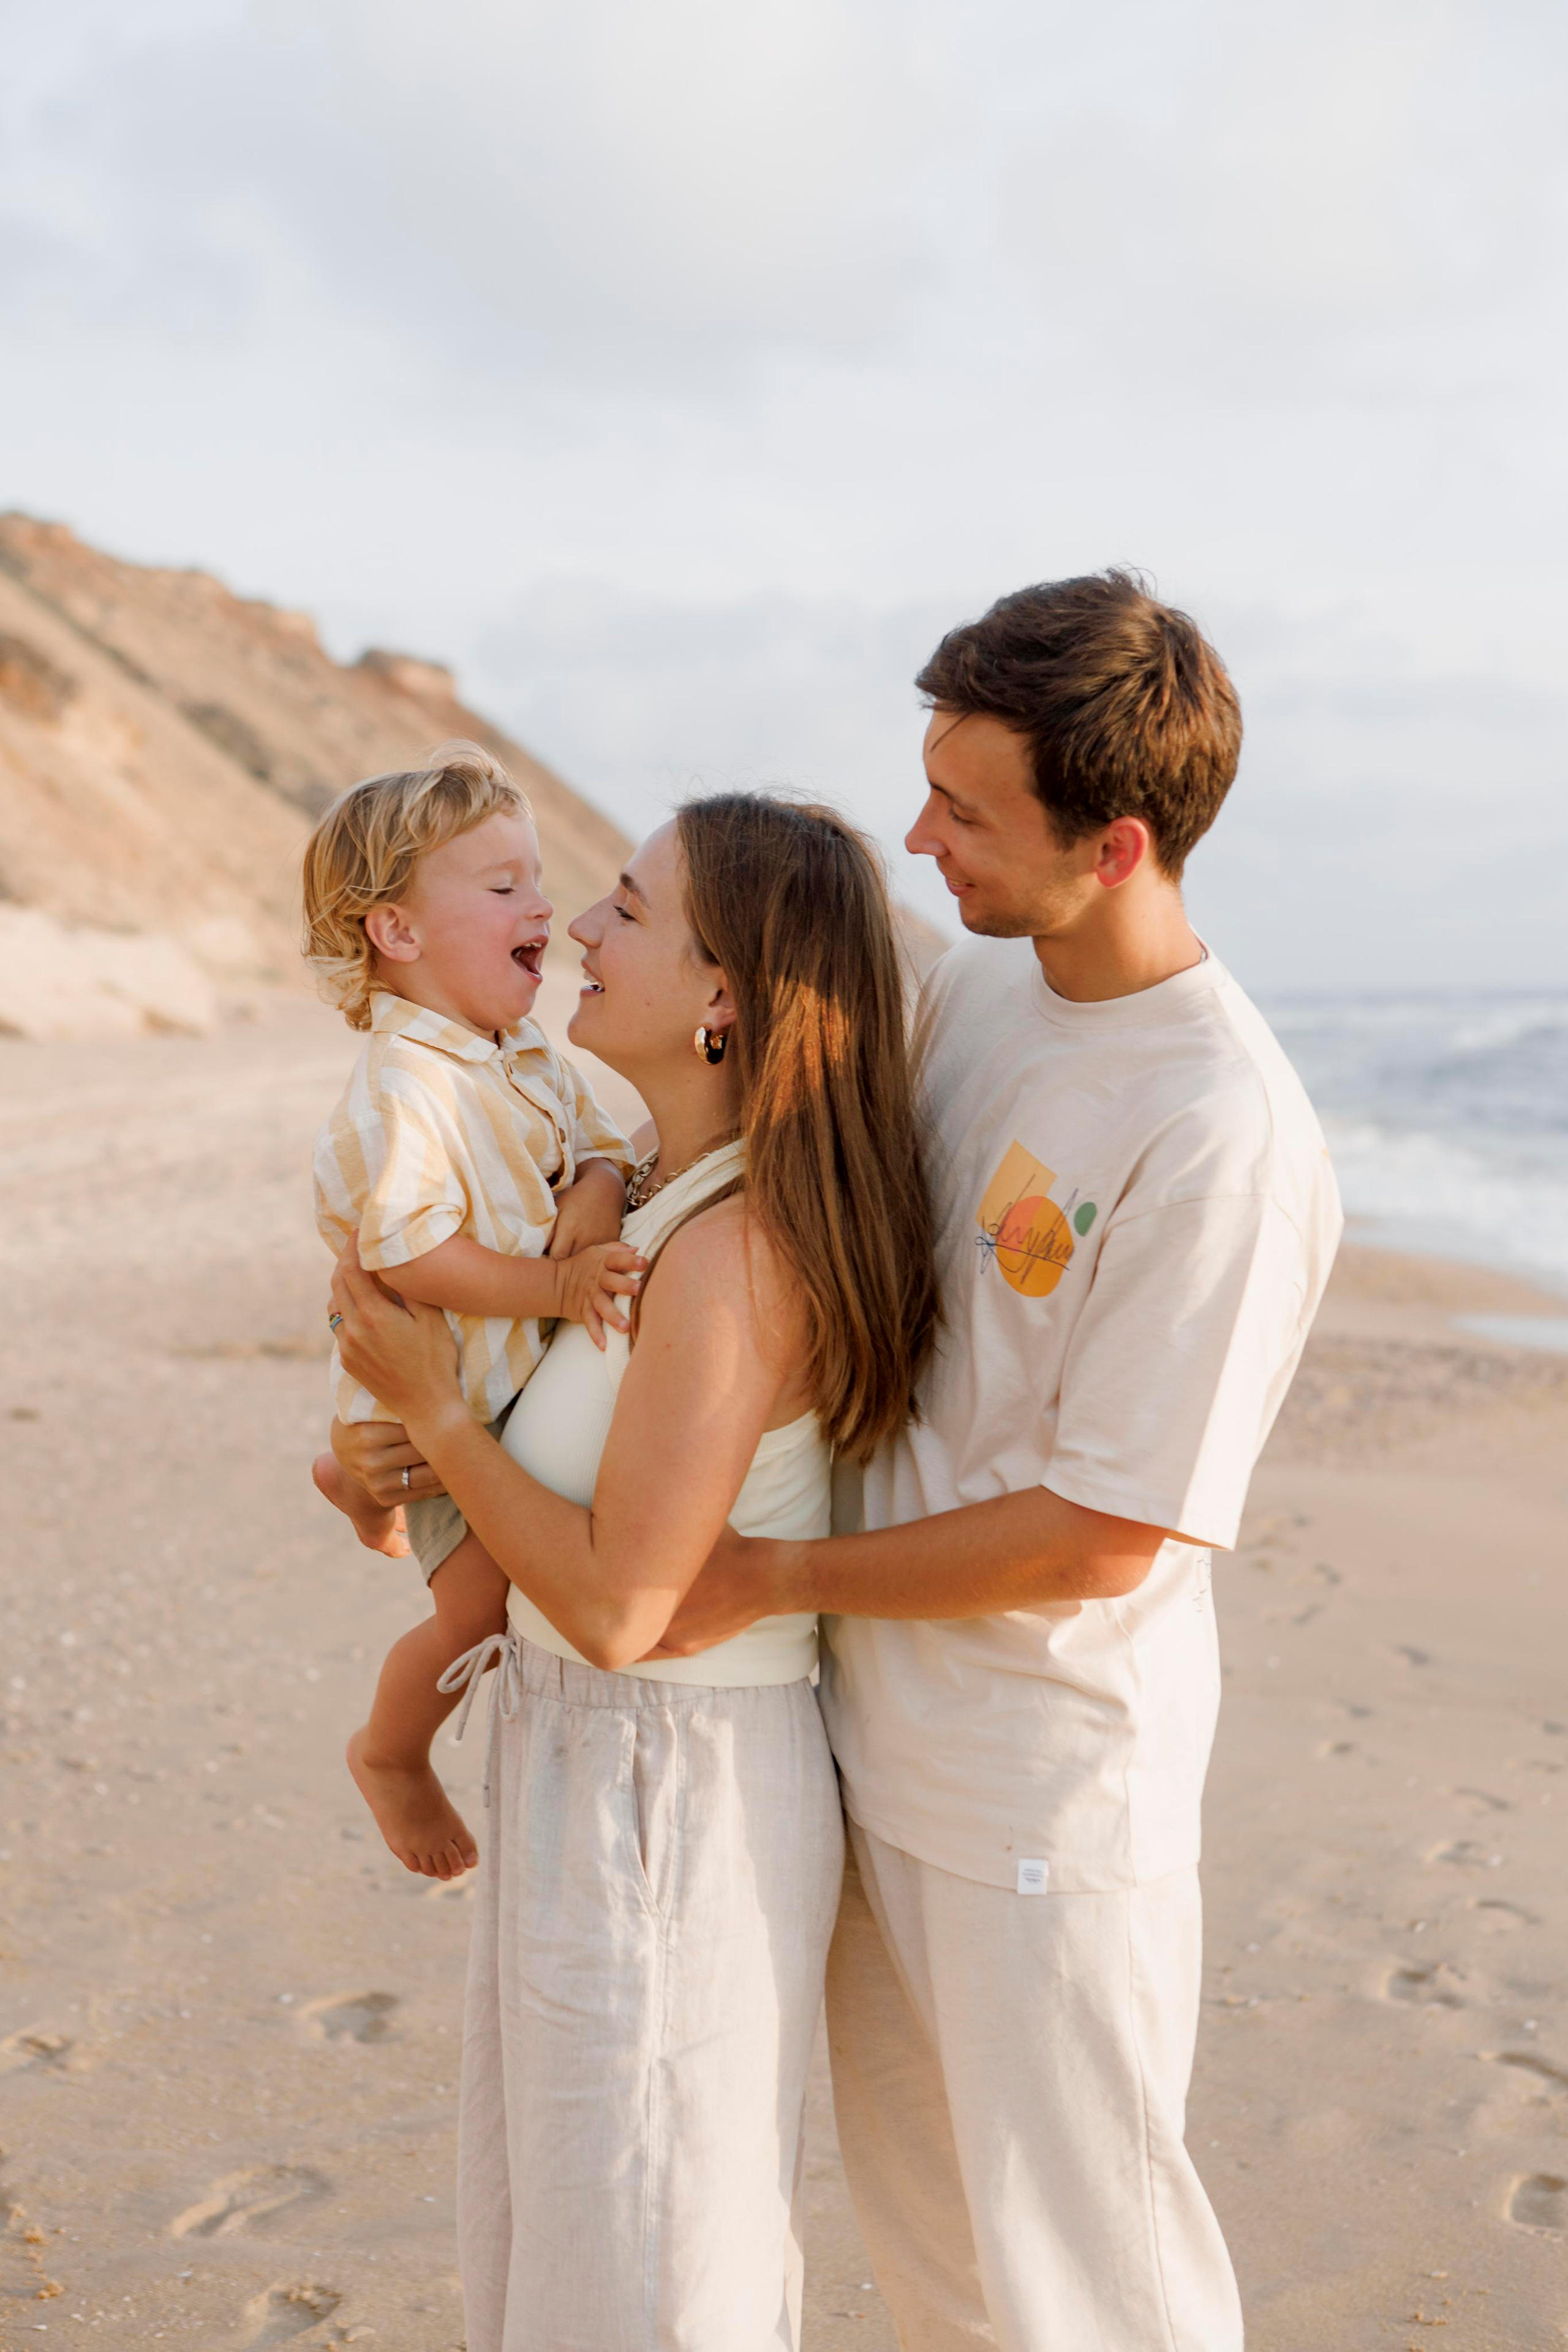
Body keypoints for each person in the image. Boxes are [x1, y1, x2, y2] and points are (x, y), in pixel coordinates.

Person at [652, 573, 1344, 2350]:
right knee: (946, 2270)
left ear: (1115, 845)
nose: (919, 836)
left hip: (1039, 1805)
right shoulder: (982, 999)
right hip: (875, 1759)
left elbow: (1109, 1533)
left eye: (965, 813)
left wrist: (771, 1577)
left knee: (1096, 2297)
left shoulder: (1220, 1128)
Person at [326, 791, 939, 2351]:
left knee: (647, 2274)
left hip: (663, 1789)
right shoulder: (647, 1200)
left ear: (725, 996)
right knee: (573, 2241)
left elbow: (614, 1608)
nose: (579, 935)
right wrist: (392, 1455)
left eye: (623, 909)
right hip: (585, 1768)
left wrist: (437, 1416)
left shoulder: (734, 1254)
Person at [303, 742, 639, 1880]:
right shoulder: (411, 1083)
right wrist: (555, 1282)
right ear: (395, 933)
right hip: (455, 1403)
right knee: (483, 1611)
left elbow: (600, 1146)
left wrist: (594, 1196)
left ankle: (358, 1483)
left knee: (446, 1518)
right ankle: (392, 1751)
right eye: (502, 889)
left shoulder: (522, 1050)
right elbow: (412, 1249)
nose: (544, 907)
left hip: (496, 1390)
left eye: (537, 880)